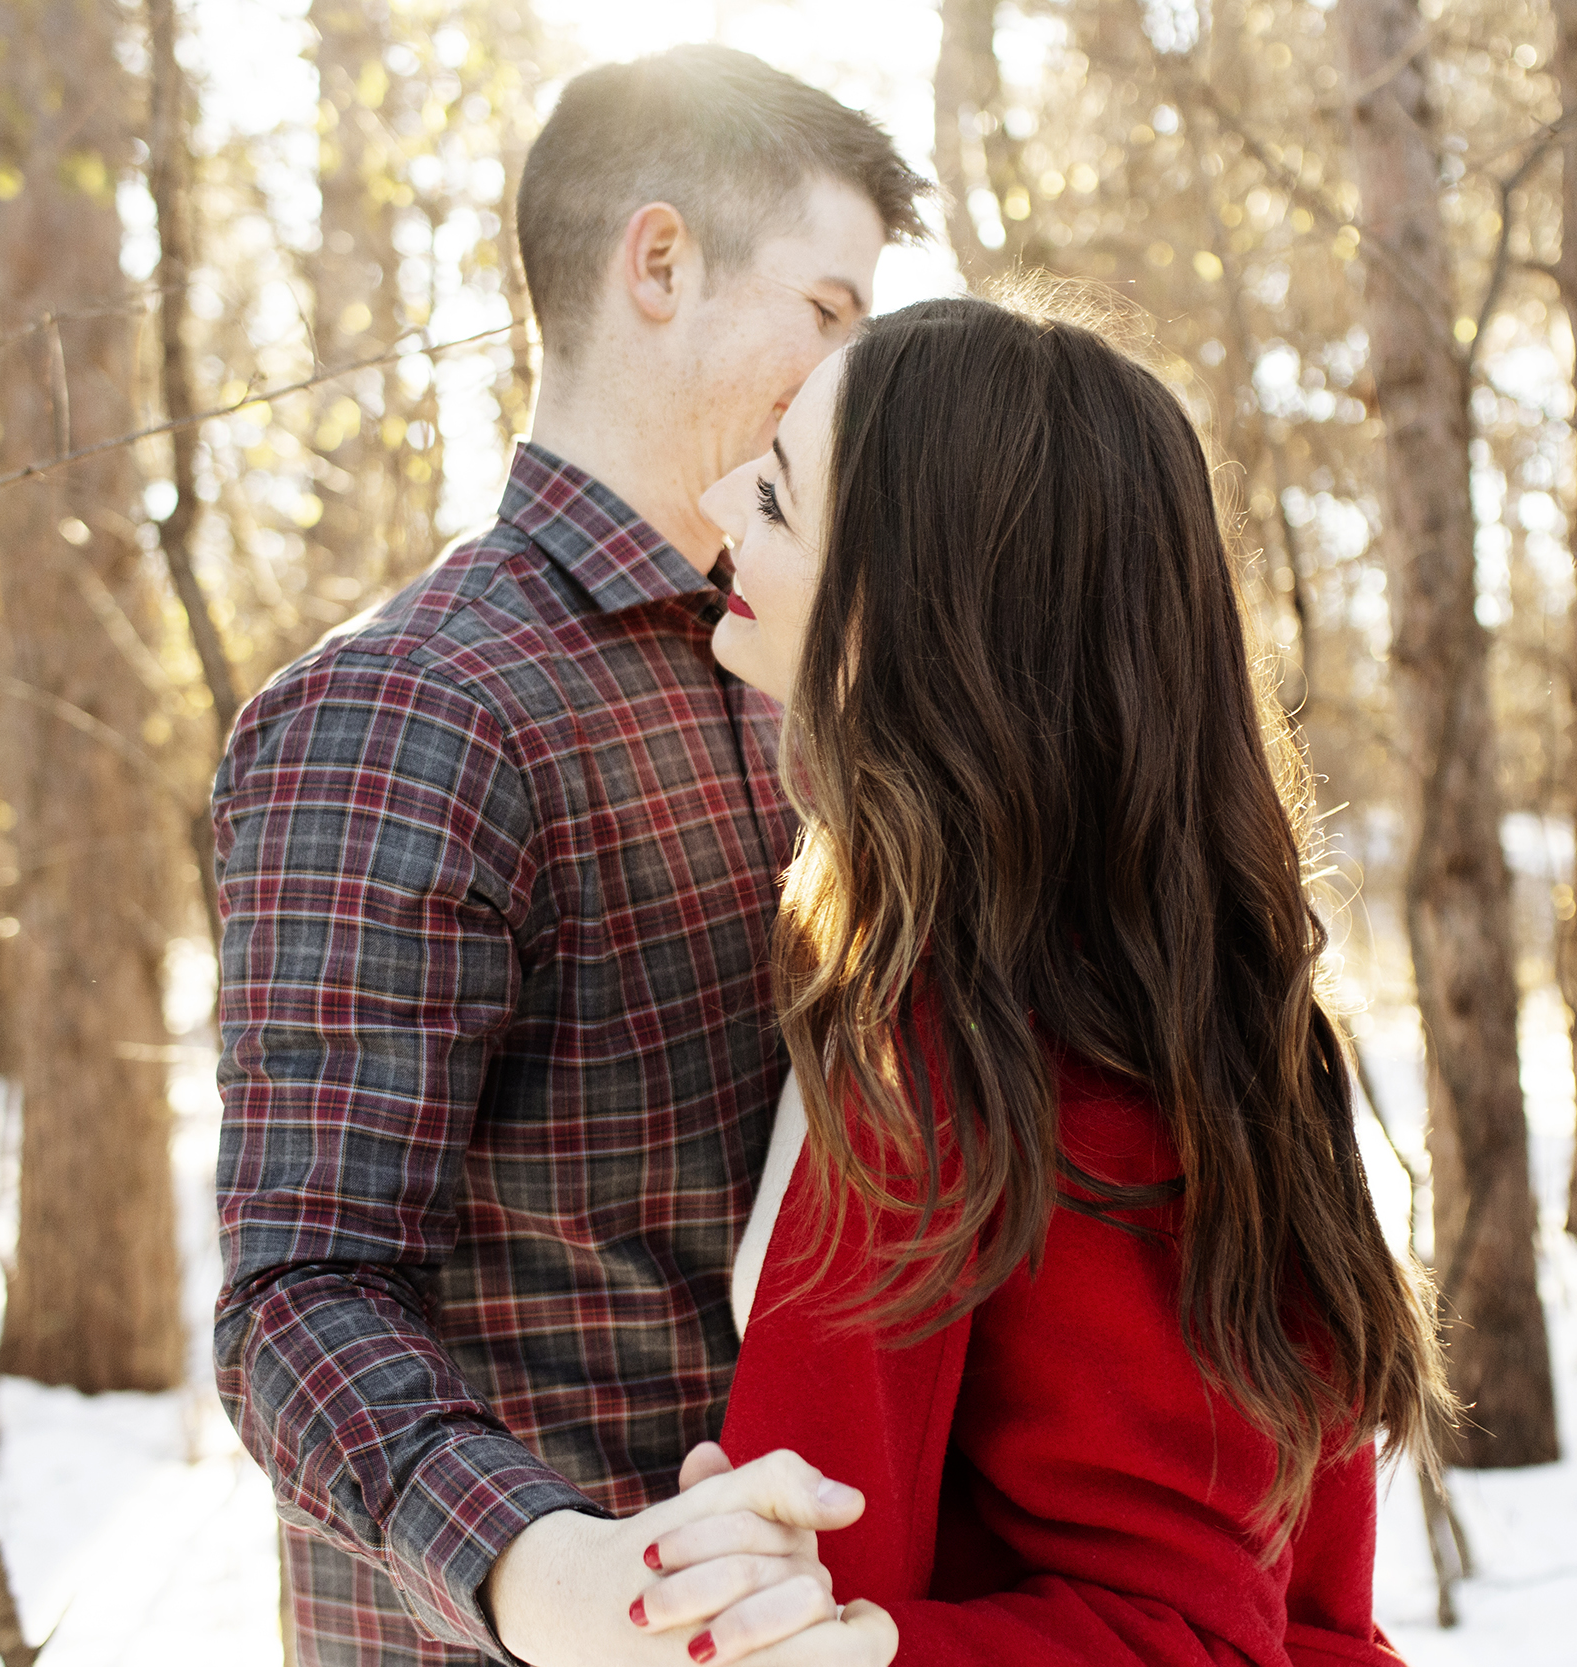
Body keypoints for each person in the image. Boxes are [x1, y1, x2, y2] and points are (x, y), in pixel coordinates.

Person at [211, 45, 926, 1667]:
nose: (844, 383)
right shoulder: (408, 706)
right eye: (825, 315)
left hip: (786, 1619)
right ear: (659, 263)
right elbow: (297, 1298)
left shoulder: (786, 679)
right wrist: (539, 1572)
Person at [618, 294, 1451, 1665]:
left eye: (775, 494)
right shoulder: (1158, 999)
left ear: (904, 605)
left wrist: (852, 1651)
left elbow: (1216, 1634)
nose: (720, 501)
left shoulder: (997, 1052)